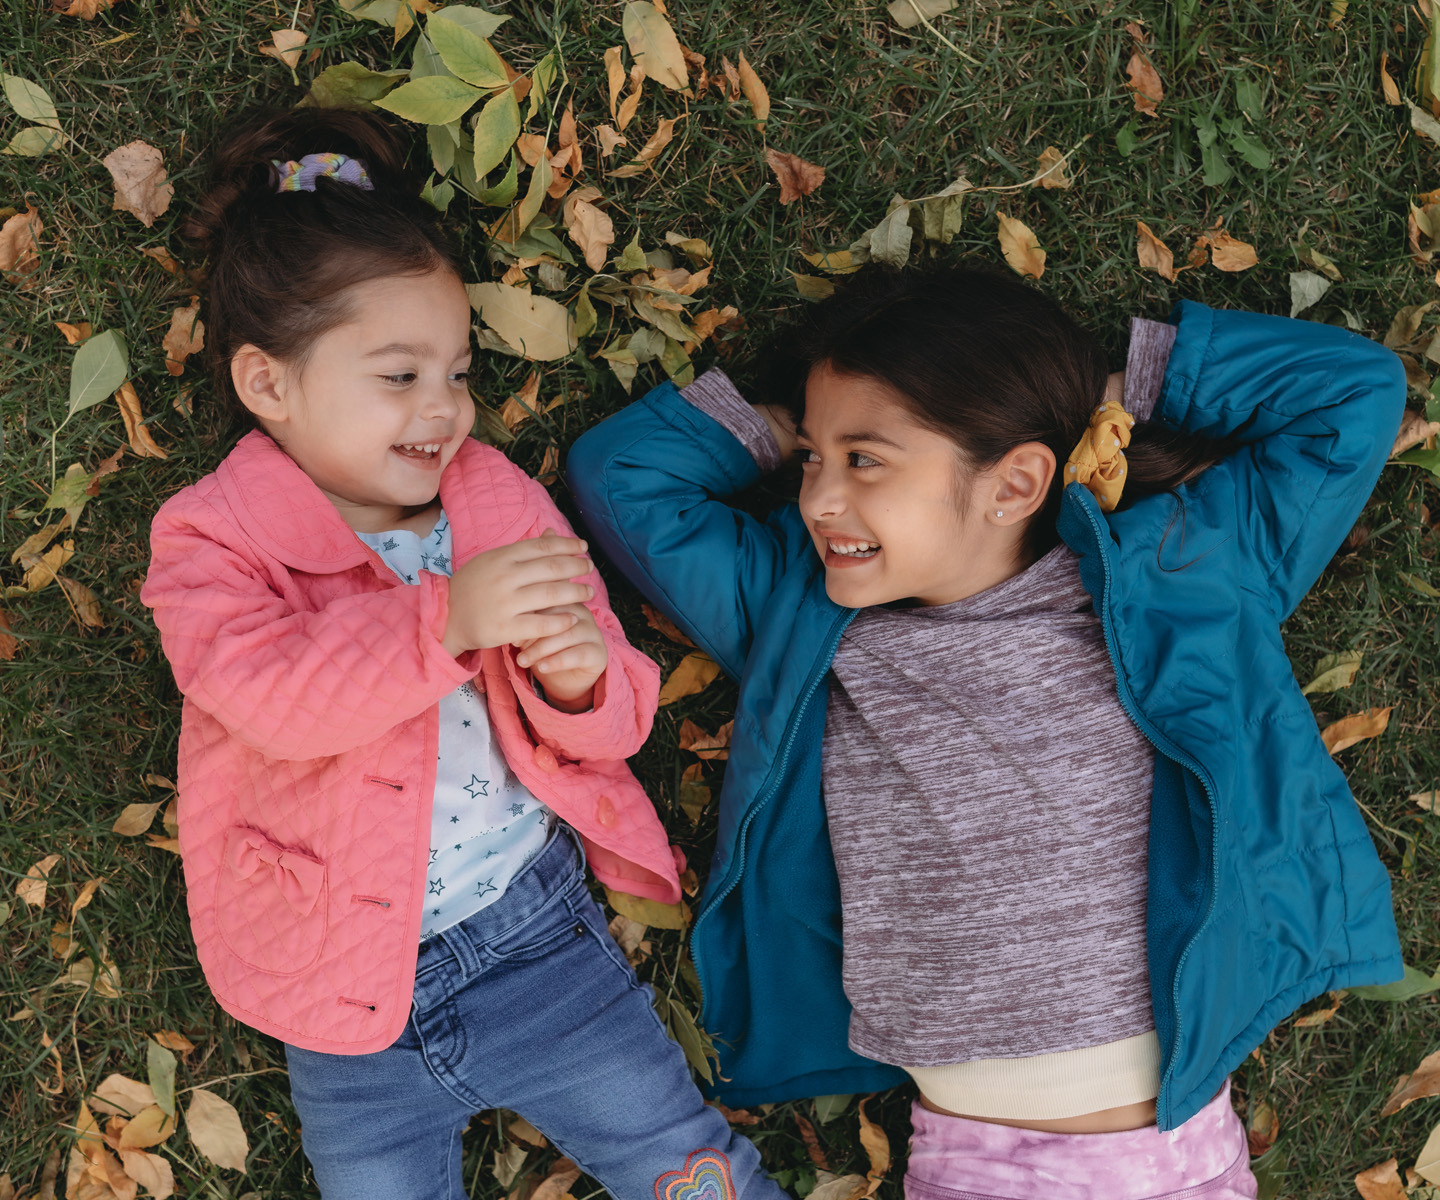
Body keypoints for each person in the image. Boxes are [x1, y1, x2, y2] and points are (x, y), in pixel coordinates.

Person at [566, 263, 1407, 1198]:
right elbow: (621, 474)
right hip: (966, 1165)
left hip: (1171, 1162)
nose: (818, 500)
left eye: (865, 460)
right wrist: (781, 429)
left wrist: (1095, 397)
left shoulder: (1179, 573)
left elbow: (1353, 393)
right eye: (814, 459)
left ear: (1014, 483)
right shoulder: (799, 615)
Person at [141, 109, 785, 1200]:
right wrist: (441, 623)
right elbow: (265, 696)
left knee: (685, 1163)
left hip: (536, 940)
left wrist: (577, 680)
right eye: (399, 377)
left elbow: (618, 712)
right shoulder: (213, 538)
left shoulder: (493, 502)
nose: (444, 408)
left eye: (458, 371)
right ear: (268, 384)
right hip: (335, 983)